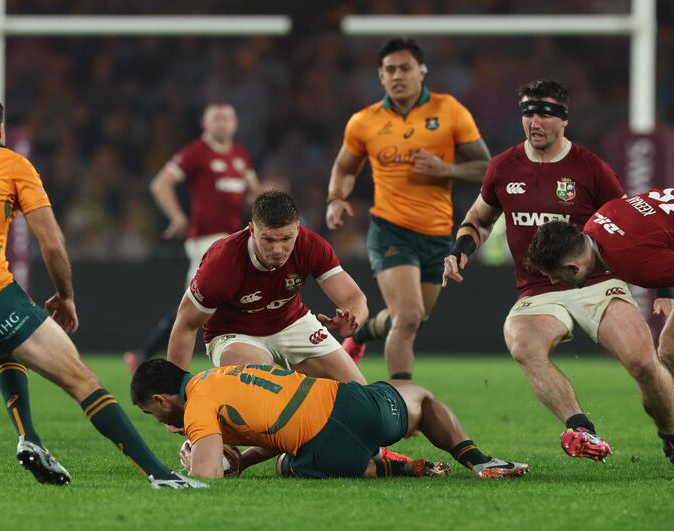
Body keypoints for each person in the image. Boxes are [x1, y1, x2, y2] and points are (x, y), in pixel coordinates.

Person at [0, 94, 203, 489]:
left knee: (8, 349)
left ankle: (29, 437)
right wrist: (65, 295)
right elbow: (51, 242)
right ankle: (162, 475)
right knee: (83, 381)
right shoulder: (13, 164)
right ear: (0, 130)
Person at [442, 80, 674, 463]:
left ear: (564, 120)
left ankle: (670, 435)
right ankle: (580, 427)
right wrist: (461, 248)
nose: (535, 121)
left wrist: (663, 286)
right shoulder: (503, 167)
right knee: (522, 343)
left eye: (545, 113)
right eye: (529, 112)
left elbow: (634, 228)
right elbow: (479, 219)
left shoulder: (591, 167)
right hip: (539, 289)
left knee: (644, 363)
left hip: (598, 281)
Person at [325, 37, 491, 379]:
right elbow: (344, 167)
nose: (398, 75)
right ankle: (401, 400)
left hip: (435, 233)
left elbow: (485, 167)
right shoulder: (364, 121)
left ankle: (361, 333)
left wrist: (447, 169)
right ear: (381, 76)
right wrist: (336, 198)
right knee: (410, 316)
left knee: (409, 319)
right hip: (390, 229)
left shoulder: (450, 111)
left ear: (422, 72)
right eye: (390, 70)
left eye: (405, 68)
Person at [130, 359, 529, 480]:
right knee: (420, 399)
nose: (159, 420)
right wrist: (242, 460)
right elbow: (280, 417)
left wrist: (196, 463)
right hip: (351, 404)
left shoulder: (198, 404)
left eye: (153, 413)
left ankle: (399, 469)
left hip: (325, 451)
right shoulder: (228, 373)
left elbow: (207, 477)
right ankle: (480, 461)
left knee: (292, 464)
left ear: (162, 399)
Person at [526, 191, 674, 461]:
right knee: (669, 353)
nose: (555, 284)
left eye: (555, 277)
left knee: (669, 353)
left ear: (572, 268)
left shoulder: (631, 263)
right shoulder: (599, 219)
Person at [167, 190, 367, 385]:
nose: (278, 249)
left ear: (297, 229)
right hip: (234, 333)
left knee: (359, 394)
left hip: (291, 322)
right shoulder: (222, 262)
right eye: (269, 239)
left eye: (286, 239)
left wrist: (353, 319)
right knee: (262, 383)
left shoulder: (311, 245)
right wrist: (174, 394)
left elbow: (354, 298)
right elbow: (185, 324)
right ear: (252, 230)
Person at [124, 103, 262, 372]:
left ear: (235, 124)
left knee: (198, 302)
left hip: (234, 238)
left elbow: (253, 192)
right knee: (199, 303)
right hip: (205, 241)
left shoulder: (239, 154)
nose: (222, 122)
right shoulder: (196, 152)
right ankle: (165, 363)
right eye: (216, 118)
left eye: (227, 118)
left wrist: (267, 193)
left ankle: (143, 354)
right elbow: (160, 183)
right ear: (204, 123)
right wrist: (177, 217)